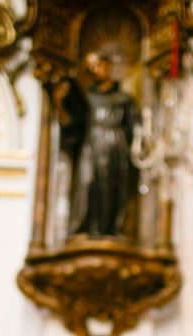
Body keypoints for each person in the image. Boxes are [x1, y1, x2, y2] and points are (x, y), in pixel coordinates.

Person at [55, 51, 139, 239]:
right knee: (87, 183)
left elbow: (135, 130)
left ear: (108, 65)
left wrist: (134, 149)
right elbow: (71, 126)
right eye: (91, 67)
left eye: (99, 65)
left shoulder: (124, 99)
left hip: (116, 148)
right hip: (90, 146)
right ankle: (84, 228)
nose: (96, 70)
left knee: (112, 186)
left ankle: (110, 229)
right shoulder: (86, 99)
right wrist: (59, 102)